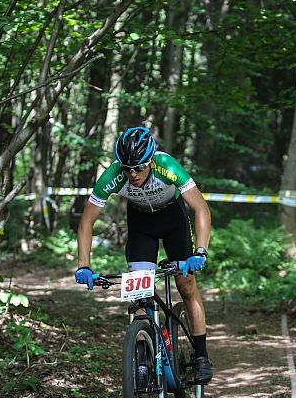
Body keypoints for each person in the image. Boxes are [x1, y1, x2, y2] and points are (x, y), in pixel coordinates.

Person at [74, 126, 213, 384]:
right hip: (141, 225)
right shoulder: (114, 175)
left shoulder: (166, 165)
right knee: (139, 295)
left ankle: (202, 356)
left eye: (138, 168)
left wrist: (200, 252)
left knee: (186, 284)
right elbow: (86, 222)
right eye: (127, 169)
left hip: (173, 219)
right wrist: (84, 265)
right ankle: (143, 359)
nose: (133, 174)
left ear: (150, 161)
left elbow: (201, 208)